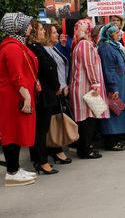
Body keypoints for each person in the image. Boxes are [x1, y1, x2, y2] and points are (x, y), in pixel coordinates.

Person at [0, 13, 39, 186]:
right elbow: (16, 76)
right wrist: (27, 96)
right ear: (17, 27)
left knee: (16, 131)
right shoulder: (12, 47)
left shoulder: (16, 45)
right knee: (11, 132)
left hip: (15, 95)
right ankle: (12, 172)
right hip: (13, 97)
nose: (30, 27)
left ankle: (14, 168)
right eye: (27, 24)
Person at [70, 19, 109, 159]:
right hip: (86, 88)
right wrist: (95, 83)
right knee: (88, 120)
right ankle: (85, 149)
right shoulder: (85, 44)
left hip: (85, 88)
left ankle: (86, 147)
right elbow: (89, 65)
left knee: (89, 119)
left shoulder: (82, 44)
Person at [25, 20, 61, 175]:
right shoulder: (34, 48)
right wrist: (56, 85)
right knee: (40, 129)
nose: (42, 33)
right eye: (40, 30)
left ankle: (39, 159)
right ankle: (41, 161)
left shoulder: (37, 47)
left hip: (46, 92)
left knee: (41, 128)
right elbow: (48, 68)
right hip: (43, 94)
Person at [97, 23, 125, 150]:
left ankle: (115, 139)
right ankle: (110, 142)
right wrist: (113, 87)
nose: (119, 35)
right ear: (109, 35)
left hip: (119, 82)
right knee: (112, 111)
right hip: (114, 84)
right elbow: (108, 69)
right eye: (116, 33)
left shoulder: (113, 45)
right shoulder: (106, 47)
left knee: (118, 110)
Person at [42, 24, 72, 165]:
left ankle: (56, 149)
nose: (57, 34)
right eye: (53, 32)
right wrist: (61, 86)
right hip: (55, 91)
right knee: (54, 122)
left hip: (60, 89)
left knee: (56, 121)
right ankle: (56, 150)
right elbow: (53, 71)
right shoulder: (46, 50)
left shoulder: (54, 48)